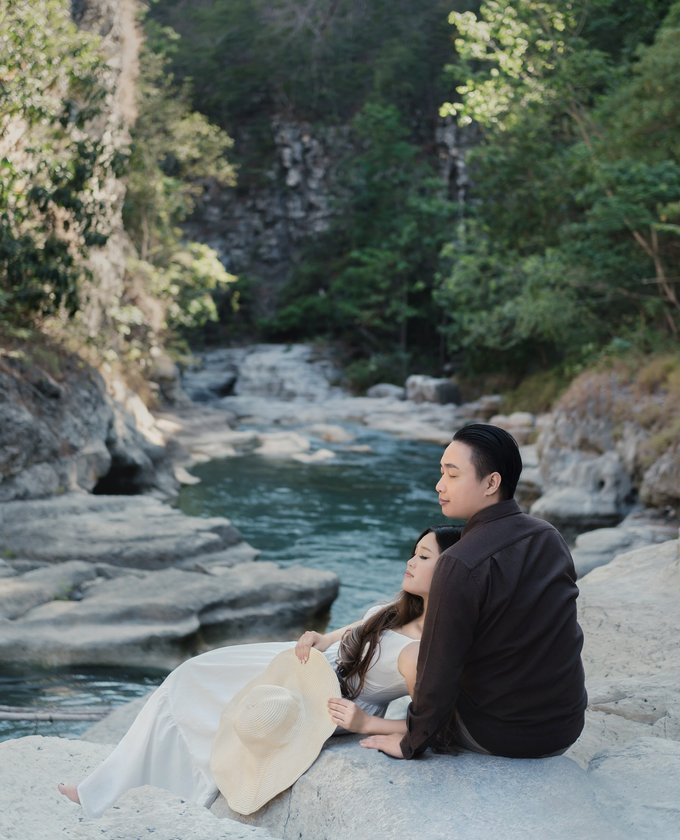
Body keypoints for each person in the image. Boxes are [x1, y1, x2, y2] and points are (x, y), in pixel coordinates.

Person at [58, 524, 462, 818]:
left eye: (424, 557)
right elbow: (365, 629)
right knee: (188, 676)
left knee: (230, 711)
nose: (410, 561)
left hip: (323, 698)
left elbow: (434, 724)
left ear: (449, 574)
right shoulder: (403, 609)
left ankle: (118, 793)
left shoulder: (418, 652)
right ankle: (107, 785)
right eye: (414, 551)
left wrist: (365, 724)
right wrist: (324, 637)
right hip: (306, 664)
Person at [361, 423, 588, 761]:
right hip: (564, 728)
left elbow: (438, 671)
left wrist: (412, 741)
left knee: (413, 655)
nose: (439, 485)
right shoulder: (548, 536)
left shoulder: (459, 562)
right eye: (442, 473)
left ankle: (393, 727)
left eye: (452, 475)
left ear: (492, 483)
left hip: (500, 737)